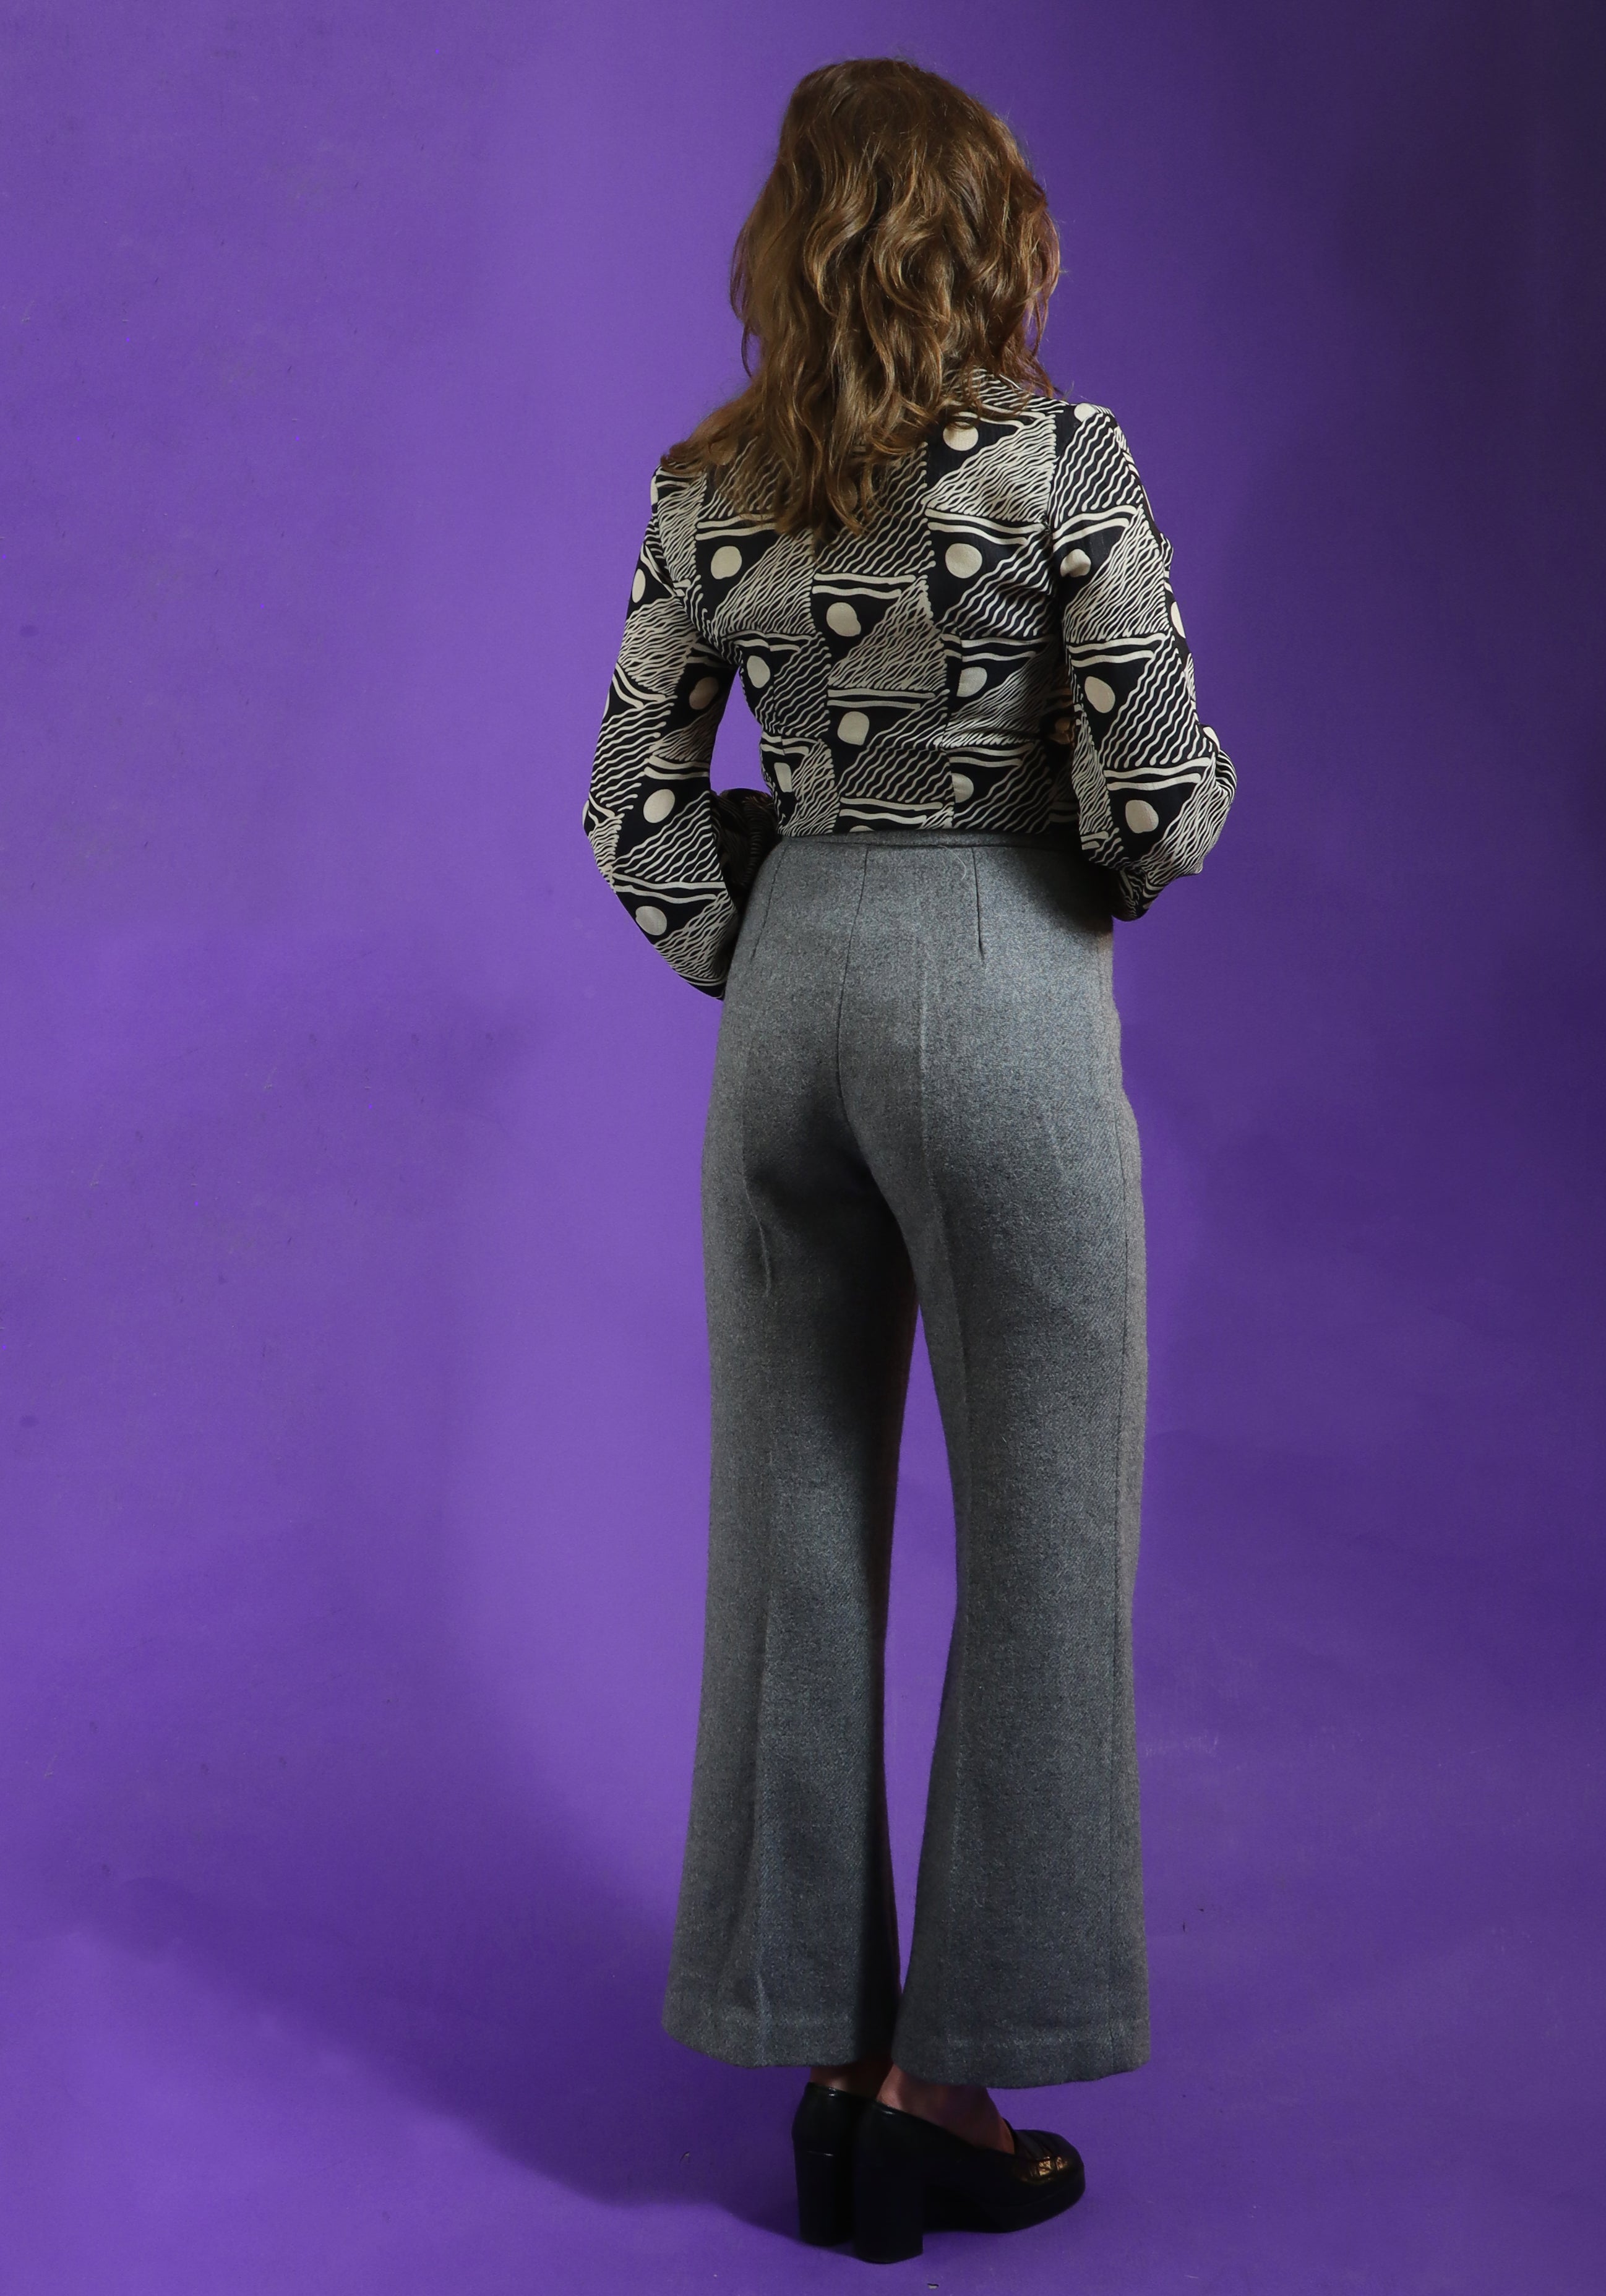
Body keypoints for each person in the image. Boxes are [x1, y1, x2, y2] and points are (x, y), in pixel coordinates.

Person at [583, 56, 1234, 2266]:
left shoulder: (706, 484)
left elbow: (630, 803)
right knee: (1045, 1532)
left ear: (789, 237)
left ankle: (813, 2048)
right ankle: (946, 2083)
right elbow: (1152, 796)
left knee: (788, 1529)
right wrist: (1093, 860)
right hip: (1001, 978)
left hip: (790, 1014)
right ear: (992, 234)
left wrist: (766, 956)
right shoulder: (1063, 462)